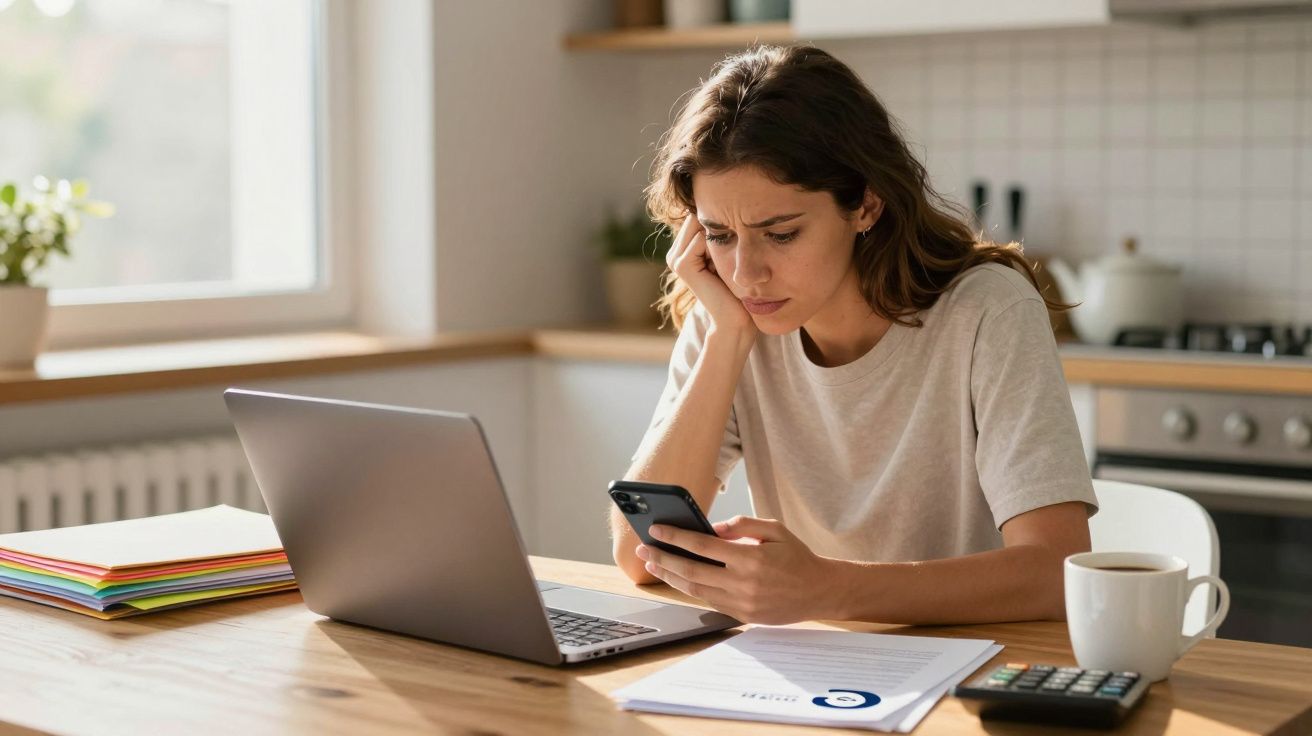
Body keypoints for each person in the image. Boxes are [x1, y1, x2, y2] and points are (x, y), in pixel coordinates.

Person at [609, 44, 1097, 627]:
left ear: (865, 204)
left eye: (781, 234)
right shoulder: (731, 315)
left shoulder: (986, 311)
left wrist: (827, 590)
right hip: (816, 667)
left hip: (972, 664)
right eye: (719, 234)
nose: (746, 273)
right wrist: (726, 340)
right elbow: (638, 556)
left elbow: (1055, 571)